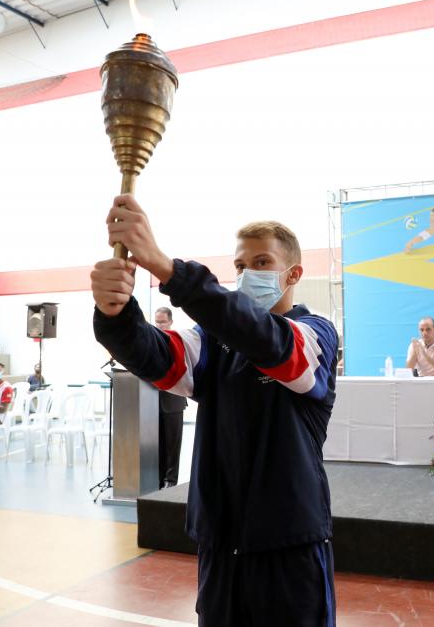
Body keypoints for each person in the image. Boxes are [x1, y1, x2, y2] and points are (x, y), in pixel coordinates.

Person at [91, 195, 338, 626]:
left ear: (293, 273)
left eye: (261, 262)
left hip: (289, 541)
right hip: (219, 541)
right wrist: (116, 314)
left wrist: (168, 269)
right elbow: (155, 355)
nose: (247, 275)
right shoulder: (211, 342)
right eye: (240, 266)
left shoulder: (315, 335)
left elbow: (269, 341)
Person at [153, 306, 187, 489]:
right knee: (157, 444)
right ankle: (158, 479)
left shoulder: (176, 341)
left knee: (173, 444)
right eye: (156, 322)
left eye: (162, 322)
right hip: (151, 402)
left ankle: (170, 481)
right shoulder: (150, 342)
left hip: (173, 401)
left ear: (171, 322)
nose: (158, 326)